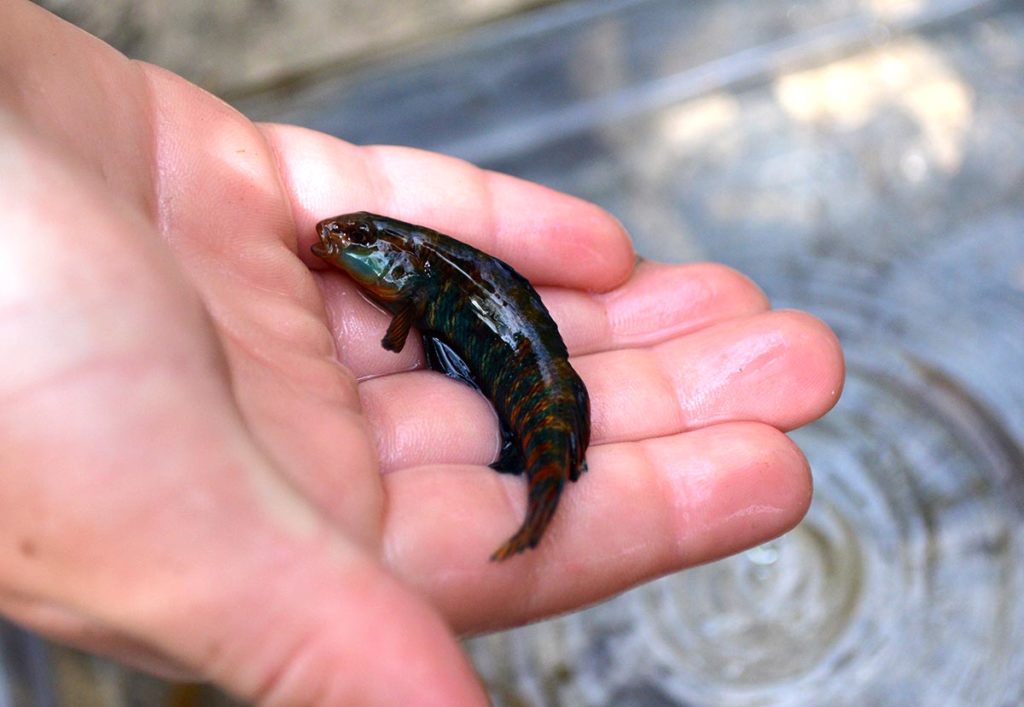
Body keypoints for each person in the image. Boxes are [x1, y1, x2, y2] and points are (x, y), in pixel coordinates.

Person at [0, 1, 843, 704]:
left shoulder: (410, 282)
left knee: (544, 414)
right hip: (508, 348)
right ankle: (537, 492)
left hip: (524, 364)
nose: (335, 239)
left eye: (357, 239)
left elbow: (412, 321)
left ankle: (540, 492)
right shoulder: (404, 270)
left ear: (396, 258)